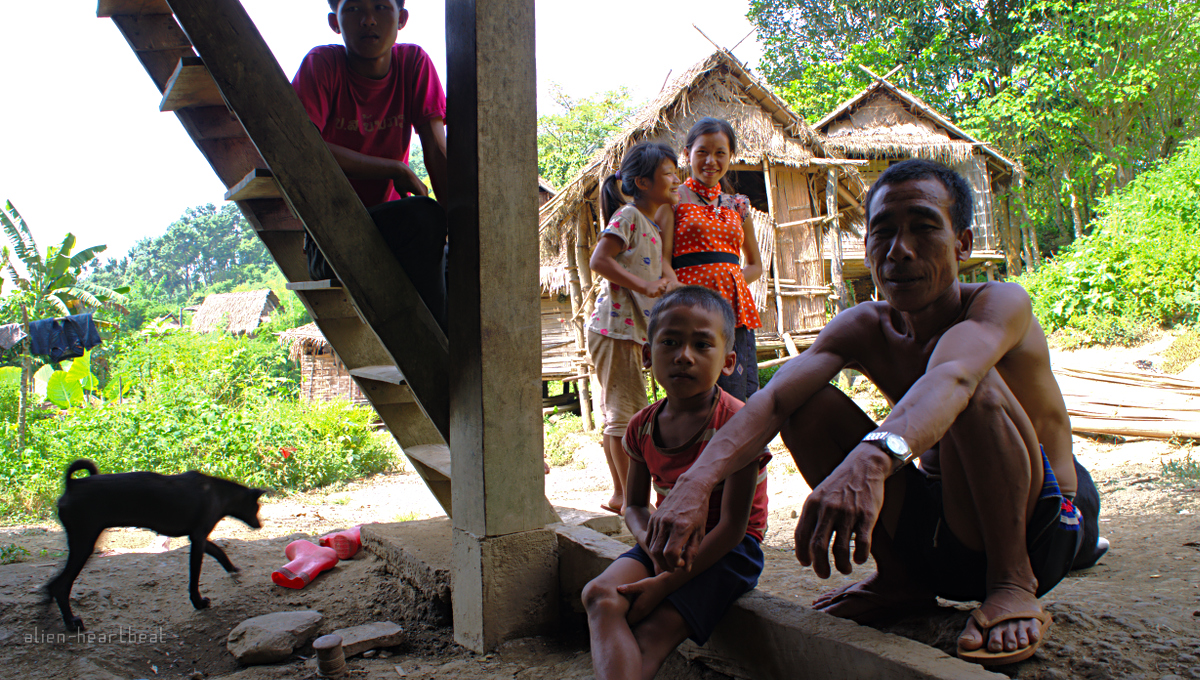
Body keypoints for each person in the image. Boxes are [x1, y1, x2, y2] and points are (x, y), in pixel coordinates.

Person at [642, 159, 1107, 666]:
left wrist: (871, 459)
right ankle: (901, 581)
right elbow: (772, 400)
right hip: (946, 527)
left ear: (963, 244)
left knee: (974, 384)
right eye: (882, 232)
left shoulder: (999, 305)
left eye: (924, 228)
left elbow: (952, 378)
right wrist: (695, 482)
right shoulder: (865, 324)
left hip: (1045, 523)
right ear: (866, 248)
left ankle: (1012, 583)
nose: (899, 250)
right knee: (806, 405)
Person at [582, 286, 770, 679]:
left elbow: (736, 528)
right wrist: (651, 543)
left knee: (651, 632)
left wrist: (665, 584)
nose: (684, 356)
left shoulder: (738, 425)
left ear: (729, 361)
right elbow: (633, 505)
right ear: (648, 356)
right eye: (670, 342)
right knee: (599, 596)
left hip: (728, 551)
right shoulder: (642, 426)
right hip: (664, 542)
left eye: (703, 345)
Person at [292, 0, 449, 329]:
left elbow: (436, 149)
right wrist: (395, 169)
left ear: (401, 18)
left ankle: (445, 350)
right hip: (331, 240)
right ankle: (441, 350)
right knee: (423, 215)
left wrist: (459, 223)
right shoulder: (323, 66)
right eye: (353, 10)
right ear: (335, 22)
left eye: (380, 7)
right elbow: (303, 149)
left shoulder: (412, 64)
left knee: (460, 260)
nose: (367, 20)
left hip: (394, 235)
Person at [587, 142, 679, 516]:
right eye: (668, 173)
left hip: (630, 331)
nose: (676, 179)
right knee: (624, 415)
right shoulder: (627, 216)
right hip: (614, 329)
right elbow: (599, 260)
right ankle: (625, 498)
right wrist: (642, 286)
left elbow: (660, 275)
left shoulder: (652, 227)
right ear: (642, 182)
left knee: (627, 411)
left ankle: (621, 495)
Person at [660, 117, 764, 403]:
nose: (711, 161)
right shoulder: (673, 199)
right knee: (696, 392)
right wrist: (690, 295)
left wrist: (729, 283)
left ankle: (743, 448)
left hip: (734, 313)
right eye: (702, 152)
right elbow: (661, 261)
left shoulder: (738, 205)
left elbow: (755, 264)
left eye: (720, 153)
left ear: (730, 156)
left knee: (739, 394)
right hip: (690, 312)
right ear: (687, 154)